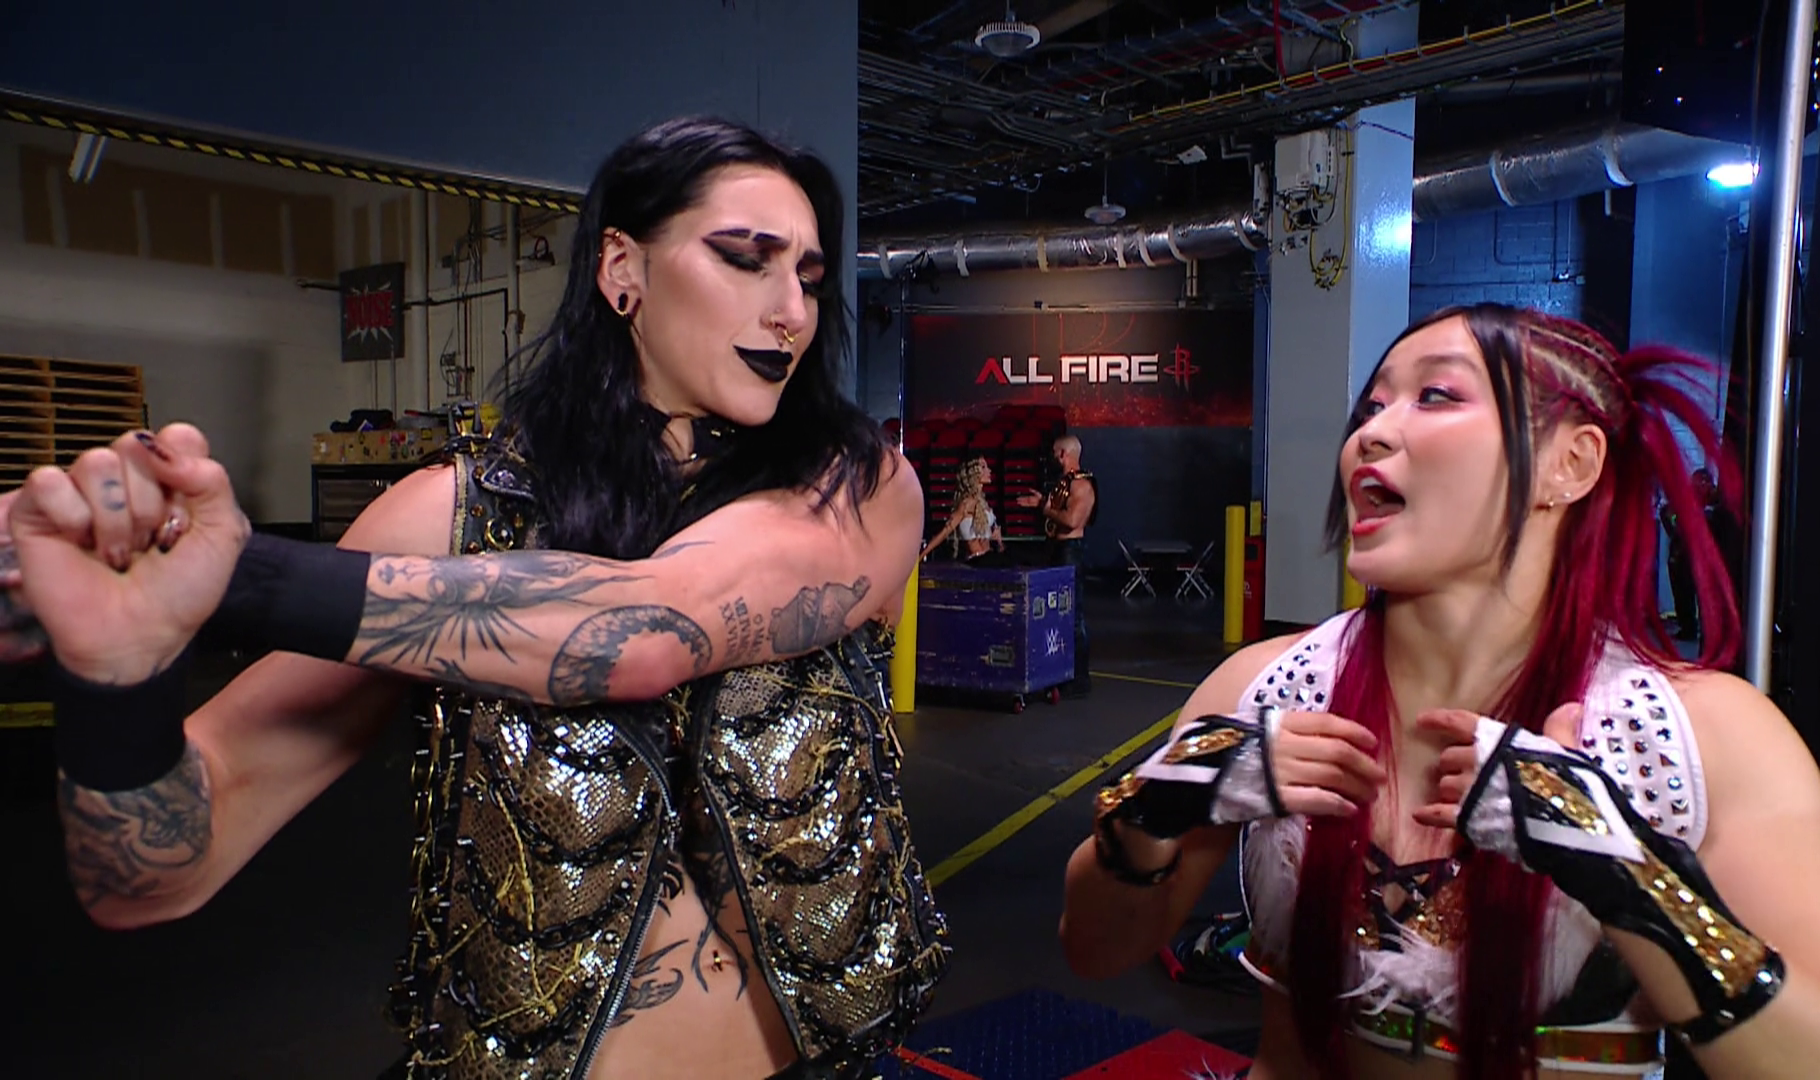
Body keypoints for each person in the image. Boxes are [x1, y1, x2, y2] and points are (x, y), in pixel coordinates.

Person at [5, 116, 950, 1080]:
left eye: (809, 277)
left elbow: (645, 627)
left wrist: (229, 580)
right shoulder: (447, 519)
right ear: (622, 269)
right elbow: (150, 877)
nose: (790, 310)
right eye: (745, 260)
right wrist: (113, 676)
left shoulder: (856, 488)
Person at [1058, 304, 1820, 1079]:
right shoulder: (1264, 687)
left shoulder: (1699, 737)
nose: (1371, 433)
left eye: (1435, 396)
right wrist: (1150, 811)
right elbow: (1095, 952)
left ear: (1570, 464)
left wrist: (1633, 876)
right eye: (1369, 409)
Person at [1017, 434, 1095, 695]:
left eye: (1054, 453)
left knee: (1074, 615)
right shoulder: (1065, 483)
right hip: (1056, 548)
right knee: (1056, 613)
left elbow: (1072, 520)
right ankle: (1058, 670)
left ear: (1063, 454)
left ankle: (1079, 679)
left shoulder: (1082, 486)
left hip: (1071, 551)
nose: (1051, 458)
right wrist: (1042, 503)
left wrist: (1045, 508)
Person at [1662, 468, 1739, 641]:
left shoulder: (1717, 506)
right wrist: (1677, 528)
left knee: (1702, 594)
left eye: (1705, 482)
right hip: (1686, 551)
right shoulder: (1686, 500)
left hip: (1700, 555)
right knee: (1684, 590)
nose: (1703, 485)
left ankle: (1698, 629)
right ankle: (1689, 627)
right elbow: (1669, 515)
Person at [920, 456, 1006, 565]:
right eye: (983, 467)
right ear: (974, 473)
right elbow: (945, 532)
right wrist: (921, 556)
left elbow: (995, 539)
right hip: (977, 560)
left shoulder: (983, 502)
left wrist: (999, 541)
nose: (989, 470)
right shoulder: (967, 503)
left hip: (988, 558)